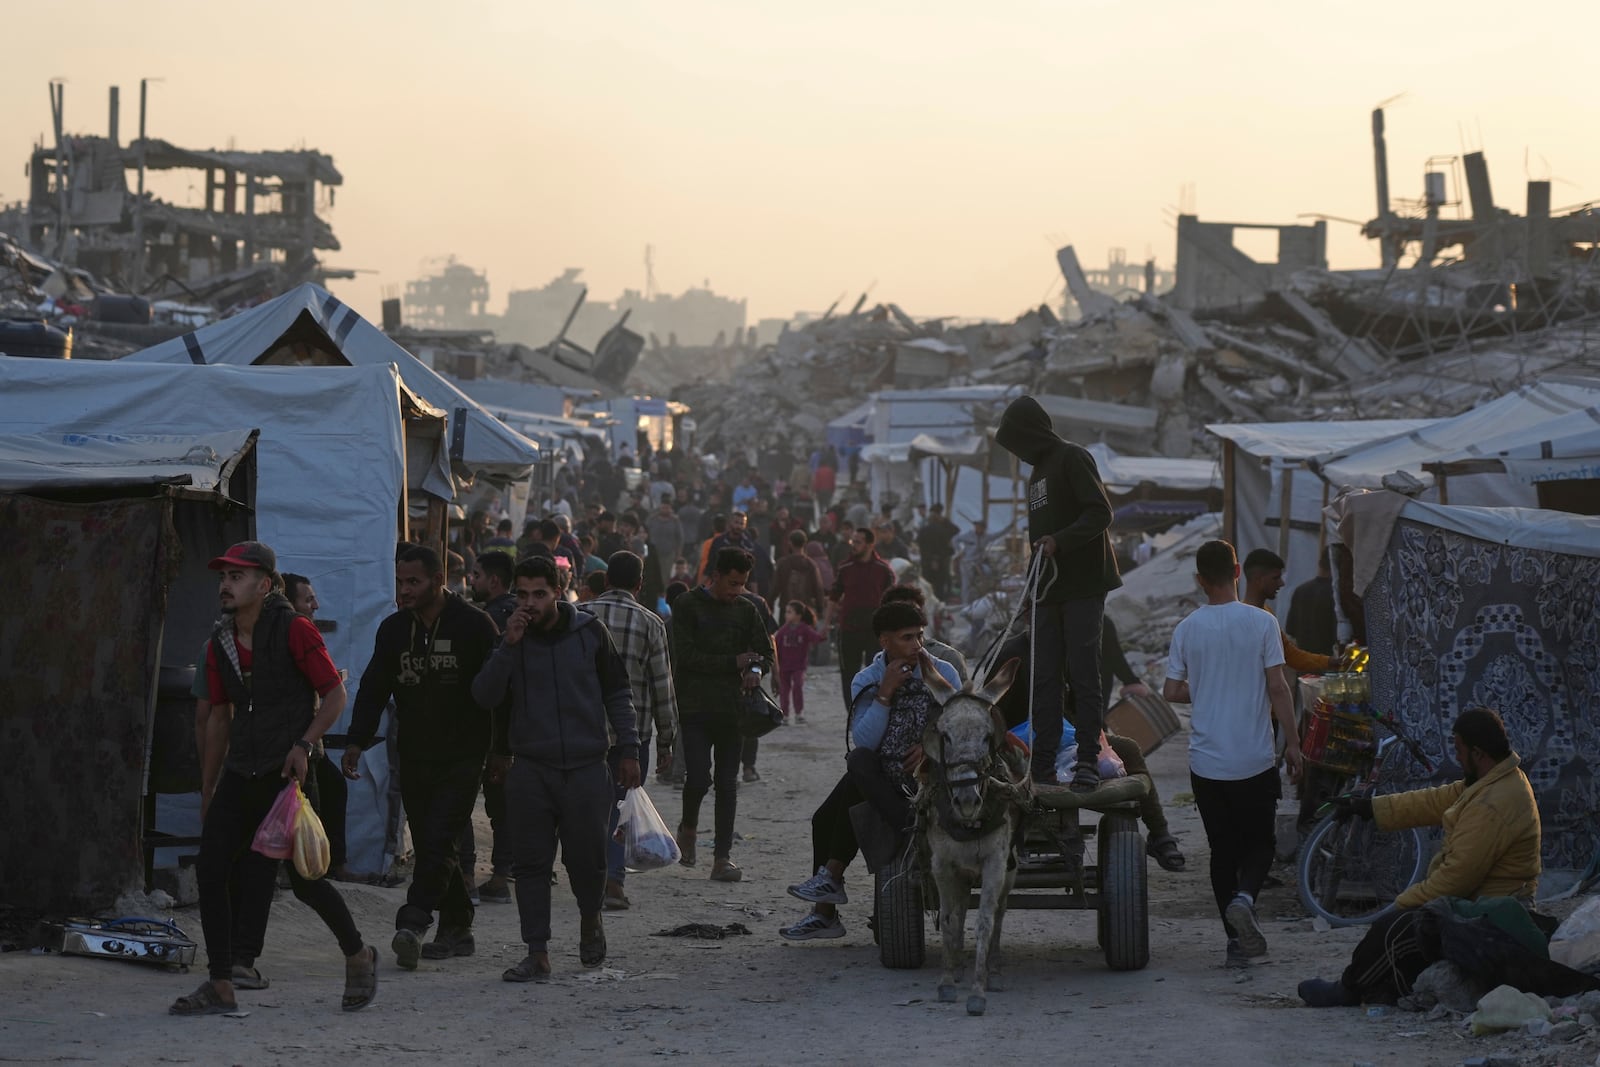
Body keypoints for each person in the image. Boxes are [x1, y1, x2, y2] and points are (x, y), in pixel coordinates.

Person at [170, 542, 377, 1016]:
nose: (226, 584)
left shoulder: (295, 628)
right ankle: (221, 984)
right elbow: (219, 717)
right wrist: (208, 788)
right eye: (223, 576)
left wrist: (304, 745)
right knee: (212, 867)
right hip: (243, 769)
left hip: (288, 774)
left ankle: (358, 954)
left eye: (237, 577)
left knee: (306, 879)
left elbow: (334, 695)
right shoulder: (221, 638)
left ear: (264, 585)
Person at [1298, 707, 1542, 1007]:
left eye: (1459, 750)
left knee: (1397, 929)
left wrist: (1403, 905)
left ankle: (1349, 989)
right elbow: (1433, 800)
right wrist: (1370, 808)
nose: (1457, 757)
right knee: (1409, 926)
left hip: (1493, 918)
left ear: (1478, 753)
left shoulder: (1495, 802)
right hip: (1480, 905)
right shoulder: (1491, 781)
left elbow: (1456, 878)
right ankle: (1383, 987)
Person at [472, 555, 642, 982]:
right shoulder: (513, 636)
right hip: (531, 768)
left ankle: (590, 920)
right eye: (523, 595)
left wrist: (629, 749)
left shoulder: (589, 633)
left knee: (587, 860)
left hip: (586, 768)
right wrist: (507, 646)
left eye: (539, 594)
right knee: (530, 863)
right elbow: (485, 697)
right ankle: (538, 952)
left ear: (558, 591)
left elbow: (618, 693)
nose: (530, 604)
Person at [344, 545, 500, 972]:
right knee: (438, 841)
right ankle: (458, 929)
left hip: (465, 753)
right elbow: (375, 686)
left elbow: (501, 691)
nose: (404, 590)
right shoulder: (393, 630)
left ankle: (412, 923)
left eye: (413, 581)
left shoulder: (475, 625)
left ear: (437, 579)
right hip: (413, 752)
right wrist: (357, 740)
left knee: (439, 835)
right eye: (399, 582)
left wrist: (502, 751)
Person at [781, 603, 962, 940]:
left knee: (833, 810)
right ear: (885, 641)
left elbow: (961, 725)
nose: (917, 645)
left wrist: (931, 745)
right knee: (857, 765)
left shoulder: (944, 672)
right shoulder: (867, 680)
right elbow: (864, 739)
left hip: (932, 778)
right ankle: (828, 905)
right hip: (883, 778)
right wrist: (885, 692)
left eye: (920, 636)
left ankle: (826, 903)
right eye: (907, 638)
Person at [1162, 539, 1302, 967]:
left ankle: (1235, 944)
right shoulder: (1261, 623)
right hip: (1254, 759)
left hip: (1207, 764)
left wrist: (1205, 689)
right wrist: (1294, 744)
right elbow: (1278, 687)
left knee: (1222, 850)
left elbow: (1171, 691)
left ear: (1200, 580)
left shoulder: (1187, 628)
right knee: (1259, 844)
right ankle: (1246, 898)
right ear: (1238, 571)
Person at [995, 394, 1124, 791]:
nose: (1017, 454)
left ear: (1031, 433)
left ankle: (1087, 758)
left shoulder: (1073, 457)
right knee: (1044, 678)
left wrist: (1060, 541)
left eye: (1017, 443)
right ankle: (1044, 764)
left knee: (1084, 674)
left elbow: (1101, 512)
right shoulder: (1037, 475)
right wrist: (1033, 594)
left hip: (1083, 584)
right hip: (1047, 590)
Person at [580, 552, 679, 912]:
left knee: (588, 807)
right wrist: (668, 739)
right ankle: (613, 882)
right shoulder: (651, 623)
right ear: (639, 585)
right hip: (632, 736)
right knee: (621, 807)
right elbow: (662, 686)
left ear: (605, 580)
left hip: (584, 730)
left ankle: (590, 875)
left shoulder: (582, 616)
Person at [670, 548, 776, 882]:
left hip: (734, 710)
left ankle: (722, 858)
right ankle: (688, 828)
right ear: (715, 575)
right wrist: (733, 663)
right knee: (699, 777)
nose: (736, 591)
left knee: (727, 784)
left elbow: (763, 653)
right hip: (695, 707)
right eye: (732, 583)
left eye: (742, 584)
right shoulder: (687, 605)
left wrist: (755, 670)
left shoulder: (747, 609)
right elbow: (684, 655)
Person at [280, 573, 352, 883]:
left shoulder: (297, 632)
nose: (315, 606)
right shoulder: (294, 630)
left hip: (306, 744)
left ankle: (327, 868)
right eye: (307, 600)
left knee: (332, 789)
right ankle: (314, 872)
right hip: (295, 746)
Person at [461, 550, 517, 904]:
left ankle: (468, 876)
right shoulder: (519, 617)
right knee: (502, 809)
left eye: (477, 575)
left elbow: (489, 683)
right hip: (508, 732)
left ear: (494, 580)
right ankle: (500, 875)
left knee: (463, 803)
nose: (472, 580)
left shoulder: (488, 620)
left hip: (485, 728)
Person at [827, 526, 897, 712]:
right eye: (852, 542)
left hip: (875, 631)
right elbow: (833, 597)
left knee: (876, 672)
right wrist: (825, 625)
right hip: (849, 629)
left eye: (858, 542)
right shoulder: (845, 568)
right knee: (849, 674)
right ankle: (853, 712)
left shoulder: (883, 570)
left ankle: (873, 711)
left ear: (869, 544)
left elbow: (893, 600)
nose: (853, 545)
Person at [1241, 549, 1333, 675]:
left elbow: (1290, 654)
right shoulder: (1245, 619)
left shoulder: (1267, 613)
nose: (1282, 583)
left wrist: (1329, 662)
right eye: (1276, 578)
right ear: (1258, 579)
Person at [880, 584, 968, 683]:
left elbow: (962, 697)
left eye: (913, 611)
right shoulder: (879, 666)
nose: (907, 617)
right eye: (898, 614)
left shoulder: (947, 657)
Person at [774, 601, 827, 724]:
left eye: (789, 612)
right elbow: (775, 644)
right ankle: (785, 714)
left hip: (799, 665)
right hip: (784, 666)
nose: (786, 615)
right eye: (786, 612)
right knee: (784, 691)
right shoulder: (783, 630)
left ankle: (799, 713)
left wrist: (824, 634)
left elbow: (816, 638)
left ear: (798, 615)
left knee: (798, 686)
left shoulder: (804, 629)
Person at [1285, 548, 1338, 659]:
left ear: (1320, 563)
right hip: (1329, 661)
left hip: (1304, 661)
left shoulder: (1300, 590)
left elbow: (1290, 629)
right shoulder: (1336, 594)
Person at [772, 529, 826, 623]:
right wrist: (820, 609)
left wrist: (769, 604)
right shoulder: (811, 564)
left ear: (790, 543)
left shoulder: (783, 563)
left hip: (787, 609)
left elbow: (775, 587)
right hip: (805, 610)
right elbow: (818, 588)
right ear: (805, 544)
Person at [916, 503, 959, 600]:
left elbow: (919, 543)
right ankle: (940, 605)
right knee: (939, 587)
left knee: (927, 586)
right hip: (941, 563)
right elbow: (955, 530)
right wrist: (945, 521)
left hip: (927, 563)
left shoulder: (923, 530)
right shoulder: (943, 531)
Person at [645, 497, 685, 592]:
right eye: (663, 507)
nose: (665, 510)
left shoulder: (675, 521)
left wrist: (678, 553)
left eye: (667, 508)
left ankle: (663, 595)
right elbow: (645, 532)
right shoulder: (652, 519)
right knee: (652, 575)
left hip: (668, 554)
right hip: (653, 553)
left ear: (670, 509)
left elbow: (680, 538)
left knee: (665, 576)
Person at [953, 518, 993, 606]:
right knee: (966, 583)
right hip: (967, 562)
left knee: (987, 575)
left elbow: (998, 534)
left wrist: (1010, 527)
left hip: (979, 562)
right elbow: (955, 539)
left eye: (980, 527)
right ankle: (965, 603)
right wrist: (959, 551)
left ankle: (982, 600)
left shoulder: (986, 537)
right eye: (977, 526)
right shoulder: (969, 535)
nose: (978, 528)